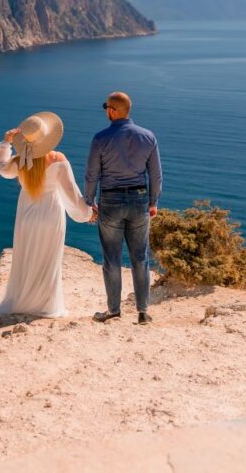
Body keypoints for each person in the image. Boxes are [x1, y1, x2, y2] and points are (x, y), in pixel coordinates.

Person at [0, 111, 94, 318]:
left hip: (26, 214)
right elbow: (71, 193)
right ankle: (45, 305)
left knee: (25, 258)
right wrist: (87, 213)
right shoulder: (57, 159)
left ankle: (21, 301)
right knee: (48, 260)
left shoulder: (19, 161)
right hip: (51, 214)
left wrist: (6, 143)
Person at [84, 92, 162, 325]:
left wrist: (90, 202)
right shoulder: (148, 136)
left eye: (106, 107)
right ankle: (143, 312)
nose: (106, 111)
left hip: (110, 201)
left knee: (112, 259)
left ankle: (114, 311)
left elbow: (92, 175)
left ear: (113, 110)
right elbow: (156, 174)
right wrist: (153, 201)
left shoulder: (100, 138)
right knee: (140, 257)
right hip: (139, 200)